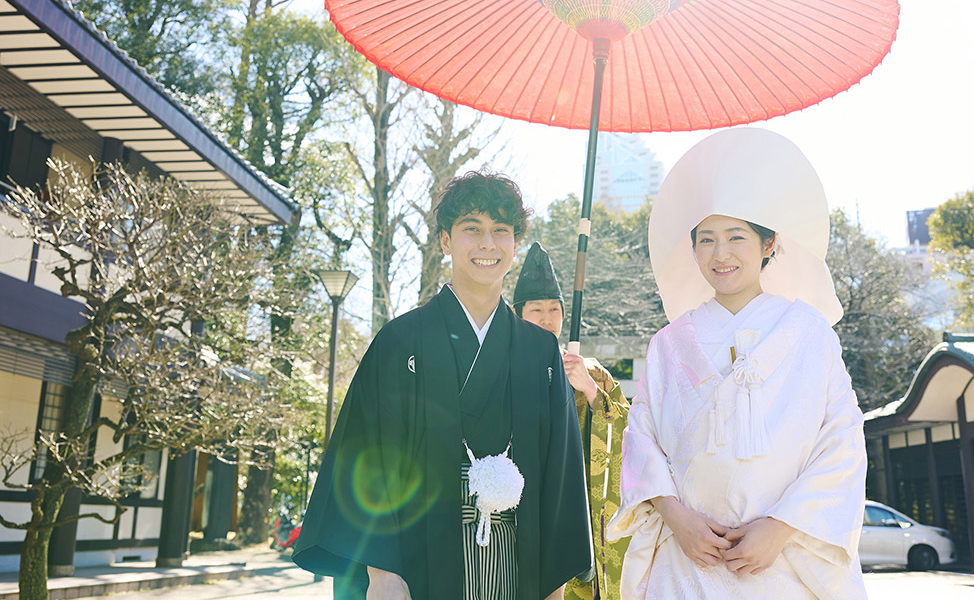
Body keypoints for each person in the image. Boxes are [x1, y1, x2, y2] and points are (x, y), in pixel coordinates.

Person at [293, 171, 592, 600]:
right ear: (446, 241)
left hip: (518, 563)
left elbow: (559, 472)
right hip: (416, 561)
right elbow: (368, 455)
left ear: (514, 244)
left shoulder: (540, 350)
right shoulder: (401, 341)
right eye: (472, 229)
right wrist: (382, 572)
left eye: (500, 231)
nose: (487, 244)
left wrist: (555, 582)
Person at [606, 128, 868, 600]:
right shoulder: (670, 343)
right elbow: (640, 438)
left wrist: (782, 526)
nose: (720, 254)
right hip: (688, 561)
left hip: (785, 561)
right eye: (706, 239)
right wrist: (677, 519)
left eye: (736, 237)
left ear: (769, 244)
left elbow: (843, 442)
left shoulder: (808, 333)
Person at [513, 242, 630, 600]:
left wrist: (592, 392)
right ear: (518, 314)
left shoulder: (591, 371)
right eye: (537, 310)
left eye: (554, 309)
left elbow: (634, 435)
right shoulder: (503, 370)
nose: (547, 318)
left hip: (579, 513)